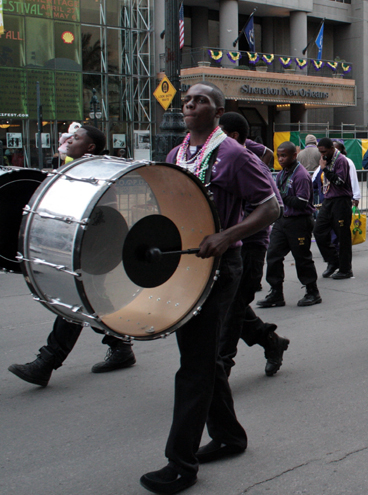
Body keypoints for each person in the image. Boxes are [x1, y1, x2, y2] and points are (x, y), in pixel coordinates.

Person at [140, 82, 282, 494]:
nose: (189, 104)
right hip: (185, 263)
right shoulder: (175, 155)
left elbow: (271, 205)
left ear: (218, 111)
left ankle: (180, 464)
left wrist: (226, 235)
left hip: (221, 266)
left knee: (195, 365)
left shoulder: (235, 155)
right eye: (187, 99)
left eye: (200, 100)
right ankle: (230, 436)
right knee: (200, 359)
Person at [7, 125, 138, 388]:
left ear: (90, 147)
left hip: (93, 248)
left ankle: (47, 362)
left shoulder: (98, 172)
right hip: (78, 247)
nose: (69, 140)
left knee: (75, 302)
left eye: (76, 138)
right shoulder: (74, 168)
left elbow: (103, 215)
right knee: (91, 301)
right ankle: (121, 347)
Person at [215, 112, 290, 379]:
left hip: (248, 247)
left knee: (231, 310)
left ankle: (220, 368)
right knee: (230, 307)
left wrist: (236, 229)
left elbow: (275, 206)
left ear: (232, 135)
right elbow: (266, 150)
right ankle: (272, 342)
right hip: (222, 248)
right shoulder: (218, 155)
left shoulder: (244, 161)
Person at [257, 141, 321, 308]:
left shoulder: (301, 175)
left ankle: (312, 291)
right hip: (283, 221)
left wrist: (280, 196)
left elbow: (301, 202)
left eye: (284, 155)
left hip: (299, 221)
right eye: (279, 156)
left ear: (294, 155)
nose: (280, 159)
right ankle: (276, 292)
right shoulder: (282, 174)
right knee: (273, 255)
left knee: (302, 257)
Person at [313, 137, 354, 280]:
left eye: (324, 151)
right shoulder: (326, 160)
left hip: (341, 201)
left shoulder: (340, 160)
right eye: (320, 152)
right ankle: (333, 260)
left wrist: (325, 169)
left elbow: (339, 181)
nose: (322, 155)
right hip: (328, 200)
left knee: (342, 236)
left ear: (332, 149)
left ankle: (345, 269)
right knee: (318, 230)